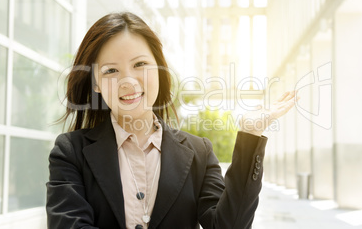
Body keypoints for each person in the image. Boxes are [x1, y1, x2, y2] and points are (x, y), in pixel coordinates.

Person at [46, 12, 297, 229]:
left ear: (159, 68)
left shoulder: (198, 152)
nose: (128, 81)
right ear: (96, 83)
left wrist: (250, 135)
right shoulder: (70, 153)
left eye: (140, 64)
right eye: (111, 70)